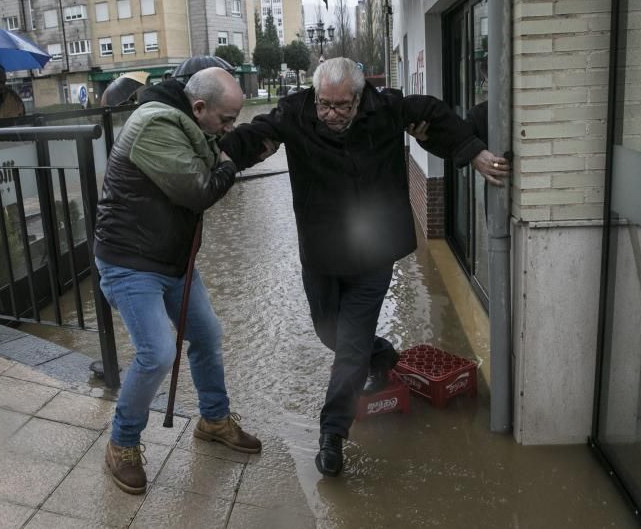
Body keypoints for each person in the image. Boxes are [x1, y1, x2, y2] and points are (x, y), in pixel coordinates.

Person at [220, 57, 509, 477]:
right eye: (325, 104)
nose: (331, 114)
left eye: (341, 106)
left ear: (359, 99)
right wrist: (216, 155)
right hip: (320, 251)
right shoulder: (295, 113)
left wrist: (476, 153)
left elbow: (431, 113)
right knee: (328, 331)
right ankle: (383, 355)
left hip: (372, 253)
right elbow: (256, 137)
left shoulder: (386, 109)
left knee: (350, 343)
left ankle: (332, 433)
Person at [94, 67, 269, 495]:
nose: (228, 129)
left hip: (171, 260)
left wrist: (236, 149)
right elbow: (198, 189)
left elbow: (211, 158)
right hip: (129, 261)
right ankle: (122, 443)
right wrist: (229, 163)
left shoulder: (190, 124)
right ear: (199, 107)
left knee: (206, 334)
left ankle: (213, 419)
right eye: (226, 120)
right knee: (156, 353)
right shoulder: (155, 125)